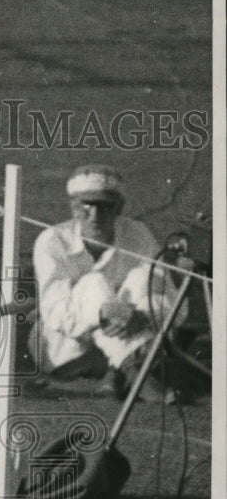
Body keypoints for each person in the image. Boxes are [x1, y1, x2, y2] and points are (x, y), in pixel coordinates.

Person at [31, 164, 186, 401]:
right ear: (72, 207)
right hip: (69, 349)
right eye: (85, 206)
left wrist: (141, 315)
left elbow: (173, 302)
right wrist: (104, 311)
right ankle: (134, 372)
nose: (94, 216)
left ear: (119, 208)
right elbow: (54, 312)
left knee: (145, 277)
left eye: (105, 206)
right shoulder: (52, 240)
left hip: (133, 332)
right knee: (94, 283)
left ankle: (120, 372)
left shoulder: (138, 233)